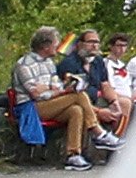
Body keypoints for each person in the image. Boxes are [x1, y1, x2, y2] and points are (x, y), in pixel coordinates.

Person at [10, 29, 90, 169]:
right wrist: (55, 91)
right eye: (55, 43)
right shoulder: (24, 65)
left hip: (50, 104)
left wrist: (51, 90)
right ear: (45, 46)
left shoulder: (49, 63)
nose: (58, 47)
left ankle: (73, 154)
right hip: (32, 107)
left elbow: (56, 87)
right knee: (78, 95)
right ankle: (97, 131)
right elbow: (36, 94)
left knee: (75, 110)